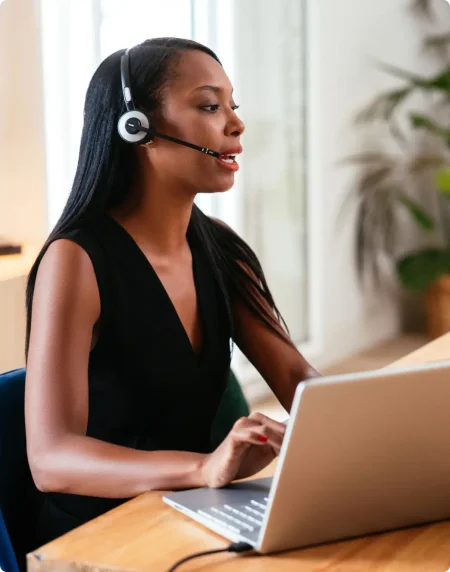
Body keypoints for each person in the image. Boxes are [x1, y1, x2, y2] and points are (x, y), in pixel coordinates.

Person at [25, 37, 320, 546]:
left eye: (233, 105)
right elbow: (52, 461)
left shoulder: (219, 248)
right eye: (209, 106)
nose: (235, 123)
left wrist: (371, 435)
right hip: (102, 534)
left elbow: (296, 377)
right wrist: (204, 468)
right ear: (137, 127)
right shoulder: (76, 261)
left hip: (191, 511)